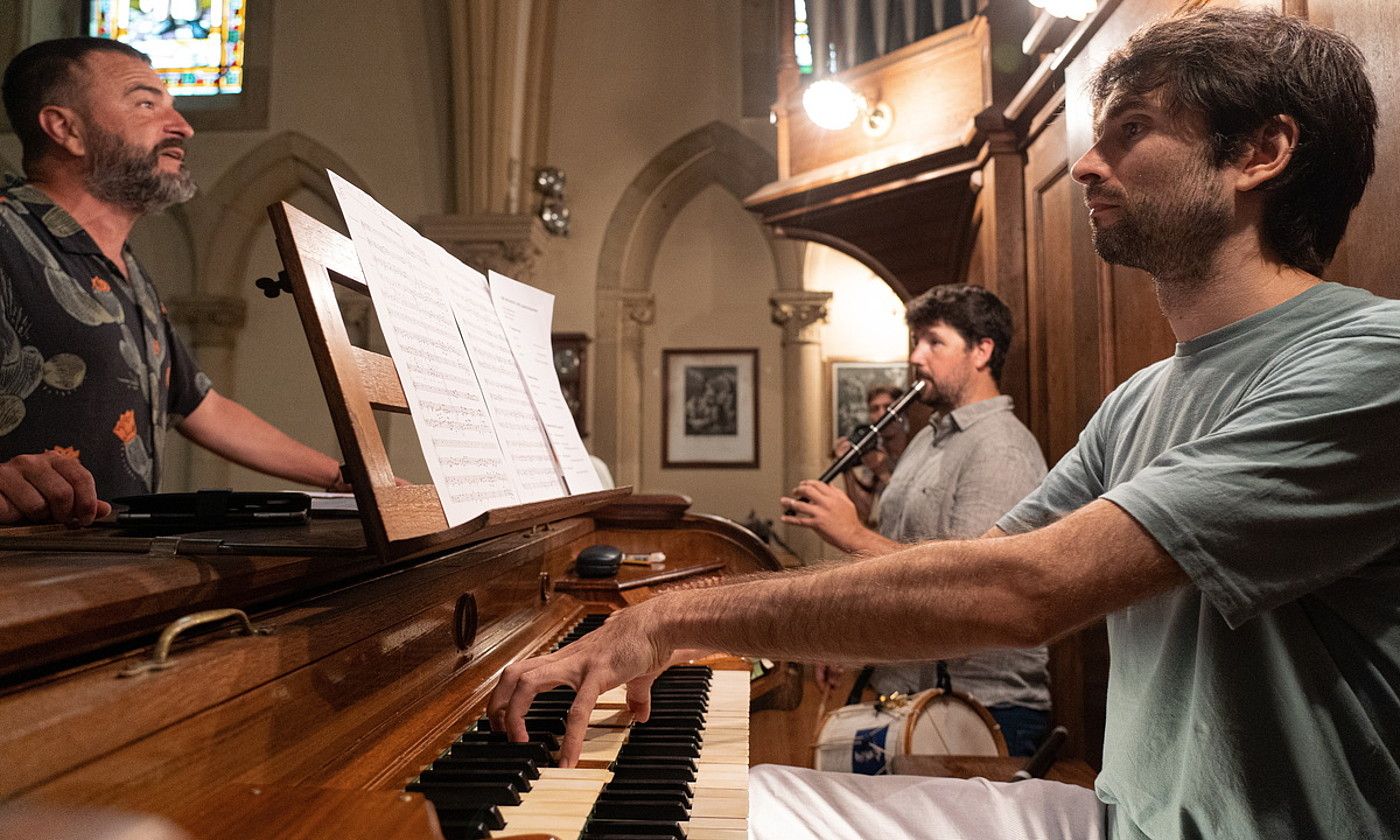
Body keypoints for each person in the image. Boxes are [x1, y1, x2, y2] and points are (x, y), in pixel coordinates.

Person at [489, 8, 1400, 838]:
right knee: (701, 806)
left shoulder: (1374, 360)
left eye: (1131, 131)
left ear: (1261, 152)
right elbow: (954, 586)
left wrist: (668, 619)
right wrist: (710, 633)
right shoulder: (1139, 398)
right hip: (1125, 816)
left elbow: (1020, 591)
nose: (1086, 162)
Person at [0, 38, 350, 526]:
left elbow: (202, 407)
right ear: (66, 129)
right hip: (19, 582)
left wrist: (343, 477)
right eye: (146, 102)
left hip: (109, 572)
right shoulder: (7, 237)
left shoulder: (129, 270)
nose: (183, 127)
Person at [790, 285, 1051, 756]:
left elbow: (967, 588)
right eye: (916, 341)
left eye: (934, 342)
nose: (916, 356)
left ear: (982, 351)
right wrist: (854, 644)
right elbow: (902, 575)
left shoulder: (1001, 448)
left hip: (983, 713)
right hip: (912, 702)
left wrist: (851, 534)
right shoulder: (924, 442)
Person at [834, 383, 909, 526]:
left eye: (888, 407)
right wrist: (846, 467)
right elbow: (862, 512)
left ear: (903, 412)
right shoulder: (874, 455)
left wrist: (882, 473)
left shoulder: (916, 448)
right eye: (875, 409)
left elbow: (913, 503)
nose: (882, 414)